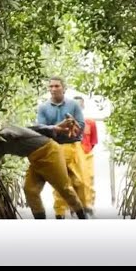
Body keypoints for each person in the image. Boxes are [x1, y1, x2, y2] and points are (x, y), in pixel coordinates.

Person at [0, 121, 87, 219]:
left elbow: (13, 131)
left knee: (64, 188)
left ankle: (82, 216)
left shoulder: (7, 131)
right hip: (35, 159)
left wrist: (2, 133)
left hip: (50, 152)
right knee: (30, 190)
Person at [37, 76, 89, 219]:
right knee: (59, 183)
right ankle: (59, 214)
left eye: (57, 86)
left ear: (64, 88)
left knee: (79, 182)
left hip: (73, 146)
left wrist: (72, 126)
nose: (53, 89)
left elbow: (81, 125)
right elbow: (41, 128)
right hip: (54, 148)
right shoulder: (43, 107)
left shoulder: (73, 105)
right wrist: (58, 128)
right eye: (51, 86)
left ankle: (81, 211)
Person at [74, 96, 98, 216]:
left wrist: (85, 152)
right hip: (73, 155)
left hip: (87, 154)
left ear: (83, 106)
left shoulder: (91, 122)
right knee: (74, 181)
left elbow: (93, 141)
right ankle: (74, 206)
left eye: (79, 105)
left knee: (89, 179)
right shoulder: (67, 122)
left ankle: (89, 205)